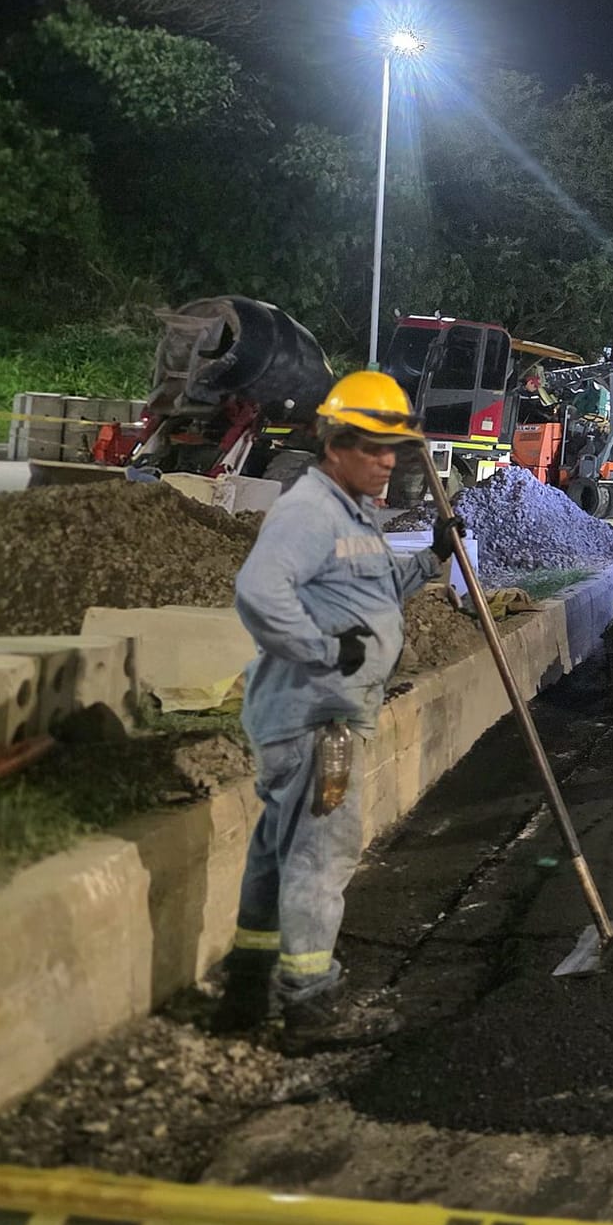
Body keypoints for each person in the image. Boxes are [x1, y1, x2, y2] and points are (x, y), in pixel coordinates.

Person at [213, 373, 460, 1052]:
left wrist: (434, 558)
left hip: (314, 709)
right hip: (313, 715)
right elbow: (260, 594)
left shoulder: (351, 511)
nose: (388, 462)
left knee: (276, 851)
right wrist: (327, 653)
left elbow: (372, 592)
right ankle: (309, 1004)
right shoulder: (310, 510)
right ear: (336, 442)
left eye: (395, 451)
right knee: (321, 856)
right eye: (375, 449)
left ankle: (246, 988)